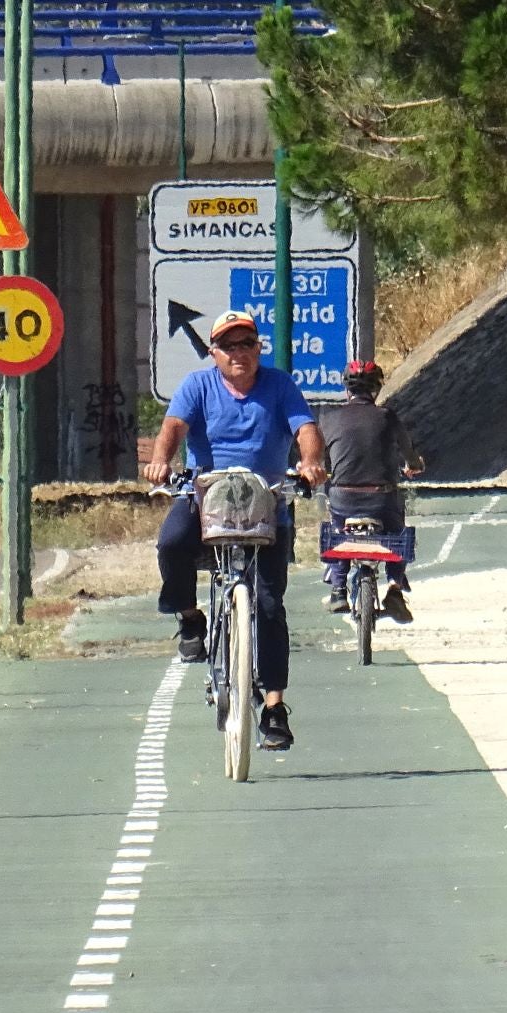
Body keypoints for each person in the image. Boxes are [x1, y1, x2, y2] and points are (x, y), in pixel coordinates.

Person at [141, 310, 327, 751]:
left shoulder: (280, 385)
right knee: (171, 543)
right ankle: (190, 618)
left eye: (247, 344)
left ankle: (275, 707)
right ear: (214, 353)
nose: (238, 353)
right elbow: (173, 428)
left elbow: (305, 429)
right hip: (207, 497)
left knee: (269, 606)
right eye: (228, 346)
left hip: (266, 502)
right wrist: (161, 461)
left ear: (259, 348)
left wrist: (311, 463)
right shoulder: (198, 385)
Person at [322, 360, 424, 622]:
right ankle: (395, 586)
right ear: (376, 389)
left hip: (343, 497)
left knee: (338, 530)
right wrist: (414, 465)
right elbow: (408, 451)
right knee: (397, 531)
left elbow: (322, 459)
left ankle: (338, 589)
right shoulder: (387, 417)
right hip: (381, 499)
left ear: (347, 389)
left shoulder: (329, 419)